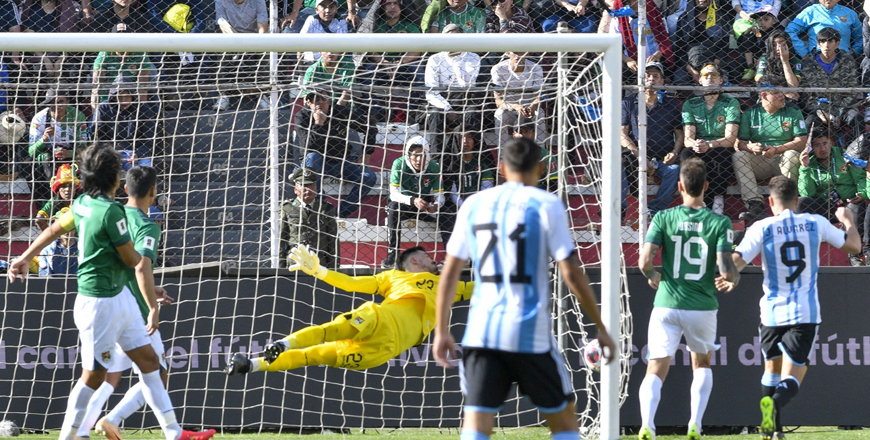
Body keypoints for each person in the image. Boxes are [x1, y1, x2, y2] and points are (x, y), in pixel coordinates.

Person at [6, 145, 212, 440]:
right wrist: (150, 297)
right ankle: (70, 436)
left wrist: (25, 256)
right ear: (115, 179)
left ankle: (174, 433)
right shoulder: (112, 211)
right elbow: (132, 261)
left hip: (119, 297)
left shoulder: (81, 204)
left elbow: (53, 231)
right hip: (99, 302)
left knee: (151, 362)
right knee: (95, 376)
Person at [432, 137, 615, 440]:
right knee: (565, 421)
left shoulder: (474, 204)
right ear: (541, 168)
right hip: (530, 333)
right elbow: (569, 270)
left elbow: (450, 272)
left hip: (482, 334)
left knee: (476, 425)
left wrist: (441, 330)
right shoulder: (546, 203)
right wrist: (600, 326)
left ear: (501, 169)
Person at [73, 166, 215, 440]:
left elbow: (127, 266)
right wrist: (152, 305)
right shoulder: (148, 224)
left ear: (125, 189)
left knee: (107, 375)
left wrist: (152, 287)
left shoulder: (113, 212)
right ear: (154, 191)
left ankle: (87, 428)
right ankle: (115, 422)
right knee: (156, 371)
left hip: (109, 301)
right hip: (133, 310)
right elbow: (141, 267)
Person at [717, 175, 860, 440]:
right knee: (793, 377)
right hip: (804, 312)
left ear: (770, 201)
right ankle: (774, 406)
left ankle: (772, 431)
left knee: (771, 369)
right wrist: (848, 220)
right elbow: (854, 246)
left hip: (771, 313)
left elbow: (733, 266)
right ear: (797, 201)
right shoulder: (815, 223)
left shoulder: (761, 227)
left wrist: (728, 268)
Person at [225, 245, 474, 375]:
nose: (434, 261)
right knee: (331, 331)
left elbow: (481, 287)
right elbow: (352, 284)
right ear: (415, 261)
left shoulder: (448, 285)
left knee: (316, 356)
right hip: (382, 320)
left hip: (382, 351)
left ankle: (250, 366)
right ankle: (281, 345)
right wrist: (319, 271)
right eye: (428, 257)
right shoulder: (393, 277)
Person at [635, 157, 738, 440]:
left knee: (655, 366)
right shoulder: (719, 221)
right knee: (701, 364)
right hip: (702, 305)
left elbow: (644, 261)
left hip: (667, 303)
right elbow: (726, 269)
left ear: (679, 186)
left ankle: (647, 425)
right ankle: (695, 424)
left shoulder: (663, 217)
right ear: (706, 186)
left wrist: (653, 275)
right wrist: (734, 278)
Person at [733, 75, 808, 224]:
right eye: (776, 93)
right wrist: (750, 147)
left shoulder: (792, 110)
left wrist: (777, 149)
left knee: (792, 154)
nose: (782, 96)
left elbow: (801, 142)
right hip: (760, 159)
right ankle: (755, 206)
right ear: (763, 95)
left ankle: (786, 206)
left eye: (782, 92)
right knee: (739, 156)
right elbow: (738, 143)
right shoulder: (750, 113)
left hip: (783, 159)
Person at [294, 88, 378, 218]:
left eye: (324, 98)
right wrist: (318, 123)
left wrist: (366, 154)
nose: (320, 102)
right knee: (312, 156)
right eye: (315, 99)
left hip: (340, 163)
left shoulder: (339, 111)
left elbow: (370, 127)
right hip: (313, 165)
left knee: (369, 176)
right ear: (308, 102)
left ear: (330, 101)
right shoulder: (302, 116)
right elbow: (308, 146)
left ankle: (338, 214)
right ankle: (320, 211)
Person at [622, 61, 682, 219]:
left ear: (662, 81)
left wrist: (675, 152)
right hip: (633, 157)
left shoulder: (671, 104)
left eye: (656, 76)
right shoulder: (628, 103)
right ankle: (619, 209)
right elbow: (622, 134)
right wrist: (640, 156)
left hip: (662, 159)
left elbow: (680, 134)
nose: (651, 78)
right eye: (647, 75)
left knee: (674, 170)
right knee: (618, 164)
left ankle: (654, 210)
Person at [382, 135, 453, 267]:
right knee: (393, 208)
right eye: (415, 155)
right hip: (404, 205)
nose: (419, 159)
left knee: (448, 213)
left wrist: (436, 205)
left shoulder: (434, 167)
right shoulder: (398, 164)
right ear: (408, 154)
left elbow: (440, 196)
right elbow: (394, 193)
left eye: (423, 155)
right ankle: (393, 254)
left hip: (424, 207)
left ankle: (450, 256)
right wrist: (413, 200)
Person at [797, 130, 866, 265]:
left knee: (856, 206)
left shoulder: (845, 156)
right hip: (825, 206)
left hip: (848, 204)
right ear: (811, 148)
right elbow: (807, 193)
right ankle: (804, 251)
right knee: (801, 202)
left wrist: (862, 192)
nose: (822, 149)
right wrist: (805, 168)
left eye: (825, 143)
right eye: (817, 145)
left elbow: (860, 178)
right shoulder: (810, 163)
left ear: (831, 143)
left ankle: (855, 255)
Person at [680, 62, 740, 215]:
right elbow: (687, 139)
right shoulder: (691, 104)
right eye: (706, 75)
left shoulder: (730, 102)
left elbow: (730, 139)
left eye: (714, 75)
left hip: (720, 144)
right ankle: (695, 198)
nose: (710, 78)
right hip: (699, 145)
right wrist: (697, 144)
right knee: (686, 154)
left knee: (722, 154)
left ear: (721, 80)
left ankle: (718, 199)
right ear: (699, 80)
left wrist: (709, 144)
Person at [421, 24, 482, 154]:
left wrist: (457, 60)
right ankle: (437, 157)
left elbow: (468, 85)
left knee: (472, 113)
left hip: (464, 99)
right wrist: (447, 108)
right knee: (435, 114)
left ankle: (473, 155)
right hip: (441, 100)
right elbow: (431, 92)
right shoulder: (434, 59)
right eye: (449, 39)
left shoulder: (473, 57)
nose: (453, 43)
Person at [28, 87, 90, 202]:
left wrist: (70, 153)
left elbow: (84, 147)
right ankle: (50, 201)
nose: (56, 106)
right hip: (48, 154)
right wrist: (44, 139)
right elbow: (31, 151)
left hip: (71, 153)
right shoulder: (39, 118)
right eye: (52, 102)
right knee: (44, 160)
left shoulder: (78, 116)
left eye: (60, 101)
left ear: (67, 101)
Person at [800, 26, 860, 135]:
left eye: (830, 41)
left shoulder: (847, 61)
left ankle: (857, 150)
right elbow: (806, 95)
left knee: (855, 118)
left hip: (844, 108)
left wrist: (839, 112)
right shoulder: (809, 64)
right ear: (818, 44)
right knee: (808, 123)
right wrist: (819, 111)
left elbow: (853, 90)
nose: (826, 45)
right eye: (822, 41)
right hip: (819, 110)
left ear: (837, 43)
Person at [91, 76, 157, 171]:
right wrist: (111, 152)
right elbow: (97, 137)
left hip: (136, 151)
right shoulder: (104, 108)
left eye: (127, 96)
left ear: (132, 96)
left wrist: (138, 154)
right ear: (113, 97)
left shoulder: (143, 109)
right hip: (110, 150)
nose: (124, 100)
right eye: (120, 97)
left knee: (145, 172)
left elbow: (150, 139)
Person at [279, 168, 339, 269]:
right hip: (295, 261)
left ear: (316, 188)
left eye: (311, 185)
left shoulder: (326, 208)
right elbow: (282, 239)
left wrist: (334, 268)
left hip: (319, 263)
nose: (308, 190)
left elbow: (332, 241)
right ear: (295, 189)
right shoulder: (287, 208)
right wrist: (281, 268)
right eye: (304, 186)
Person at [491, 51, 545, 147]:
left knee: (539, 113)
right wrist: (515, 106)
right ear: (508, 53)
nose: (518, 55)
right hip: (510, 110)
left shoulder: (536, 68)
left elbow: (538, 97)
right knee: (499, 114)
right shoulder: (498, 69)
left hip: (529, 110)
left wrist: (532, 106)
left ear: (527, 53)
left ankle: (541, 154)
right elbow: (498, 101)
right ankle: (502, 157)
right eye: (514, 52)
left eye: (521, 52)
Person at [785, 0, 862, 59]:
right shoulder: (810, 12)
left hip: (844, 59)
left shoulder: (850, 13)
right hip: (816, 59)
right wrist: (803, 52)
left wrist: (855, 52)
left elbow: (862, 36)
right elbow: (790, 31)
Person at [754, 29, 802, 100]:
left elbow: (794, 86)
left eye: (782, 44)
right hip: (770, 94)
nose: (778, 48)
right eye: (774, 45)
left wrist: (785, 61)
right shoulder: (764, 59)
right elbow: (760, 80)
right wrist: (784, 92)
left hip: (791, 95)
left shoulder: (796, 61)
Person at [35, 163, 80, 231]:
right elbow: (39, 219)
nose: (67, 189)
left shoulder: (81, 201)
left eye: (71, 186)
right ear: (58, 189)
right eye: (64, 186)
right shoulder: (54, 201)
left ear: (76, 188)